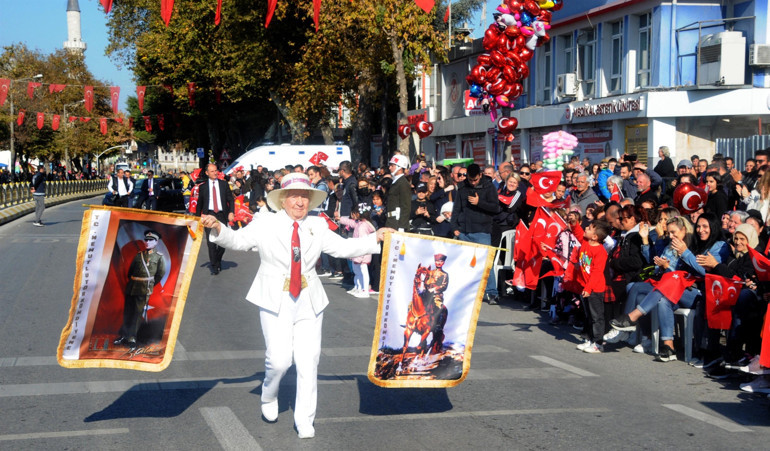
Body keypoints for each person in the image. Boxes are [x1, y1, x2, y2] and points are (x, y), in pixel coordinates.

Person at [200, 172, 393, 439]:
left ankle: (305, 418)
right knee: (279, 361)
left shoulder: (318, 225)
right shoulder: (265, 223)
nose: (300, 203)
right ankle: (269, 396)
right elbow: (238, 241)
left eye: (305, 197)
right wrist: (217, 228)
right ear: (283, 199)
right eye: (294, 197)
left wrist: (377, 238)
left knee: (308, 361)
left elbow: (343, 248)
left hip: (309, 300)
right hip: (273, 298)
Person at [450, 163, 501, 304]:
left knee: (486, 264)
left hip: (482, 231)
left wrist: (479, 202)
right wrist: (454, 226)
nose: (473, 183)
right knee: (466, 264)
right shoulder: (462, 187)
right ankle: (467, 292)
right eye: (471, 180)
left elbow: (495, 208)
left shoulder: (489, 186)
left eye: (475, 180)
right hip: (464, 231)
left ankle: (491, 292)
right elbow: (456, 209)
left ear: (480, 175)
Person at [113, 229, 166, 352]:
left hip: (144, 288)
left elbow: (160, 274)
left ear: (156, 242)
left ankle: (132, 338)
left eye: (150, 240)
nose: (147, 242)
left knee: (137, 314)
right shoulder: (139, 255)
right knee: (128, 312)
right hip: (132, 286)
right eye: (146, 240)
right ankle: (124, 335)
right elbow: (131, 271)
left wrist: (149, 284)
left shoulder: (158, 258)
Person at [575, 220, 611, 354]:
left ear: (595, 236)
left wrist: (588, 289)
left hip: (595, 289)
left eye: (589, 228)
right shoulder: (585, 242)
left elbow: (596, 273)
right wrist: (574, 223)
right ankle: (589, 340)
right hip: (585, 286)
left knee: (597, 317)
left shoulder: (600, 252)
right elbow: (577, 232)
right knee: (588, 316)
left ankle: (598, 343)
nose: (585, 228)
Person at [194, 164, 235, 275]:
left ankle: (217, 259)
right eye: (212, 171)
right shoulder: (202, 187)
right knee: (211, 242)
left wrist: (231, 212)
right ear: (207, 173)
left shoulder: (224, 184)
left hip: (222, 215)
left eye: (216, 170)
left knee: (223, 241)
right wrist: (197, 218)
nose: (215, 173)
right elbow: (199, 204)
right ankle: (215, 266)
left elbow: (230, 199)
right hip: (209, 214)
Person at [338, 204, 377, 298]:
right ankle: (358, 287)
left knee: (363, 271)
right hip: (358, 253)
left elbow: (363, 243)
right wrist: (340, 219)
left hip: (363, 253)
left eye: (355, 213)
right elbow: (350, 222)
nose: (353, 215)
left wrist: (359, 255)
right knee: (357, 271)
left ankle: (365, 290)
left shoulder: (363, 226)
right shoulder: (360, 223)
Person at [385, 155, 412, 231]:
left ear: (399, 167)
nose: (389, 168)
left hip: (397, 223)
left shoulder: (403, 183)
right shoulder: (396, 181)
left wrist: (402, 226)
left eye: (392, 165)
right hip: (391, 221)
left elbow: (405, 206)